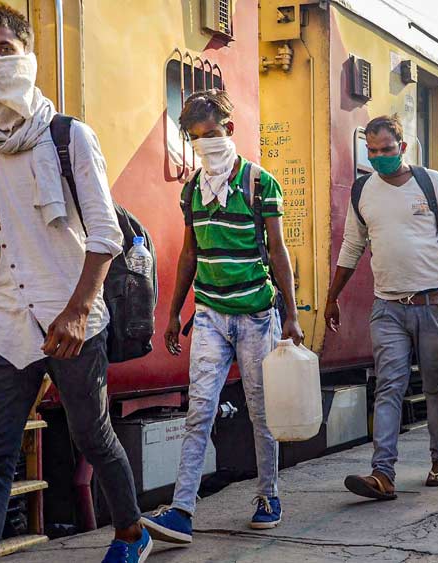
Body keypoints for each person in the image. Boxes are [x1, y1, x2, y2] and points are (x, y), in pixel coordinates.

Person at [0, 5, 149, 562]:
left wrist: (75, 312)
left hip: (71, 319)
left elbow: (106, 236)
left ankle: (131, 531)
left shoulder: (69, 136)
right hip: (5, 322)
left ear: (28, 56)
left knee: (92, 436)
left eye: (3, 48)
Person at [142, 89, 304, 541]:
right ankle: (181, 509)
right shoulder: (193, 188)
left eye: (211, 134)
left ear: (229, 131)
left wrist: (290, 315)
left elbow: (278, 251)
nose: (204, 143)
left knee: (260, 410)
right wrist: (174, 313)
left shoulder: (258, 182)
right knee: (199, 411)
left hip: (255, 313)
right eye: (195, 138)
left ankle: (269, 494)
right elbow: (190, 253)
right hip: (211, 315)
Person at [324, 114, 438, 499]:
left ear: (402, 146)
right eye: (372, 151)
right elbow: (352, 246)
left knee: (436, 387)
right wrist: (333, 297)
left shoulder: (430, 182)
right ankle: (382, 474)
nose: (380, 156)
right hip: (387, 306)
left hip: (432, 303)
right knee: (389, 387)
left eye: (386, 149)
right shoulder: (362, 190)